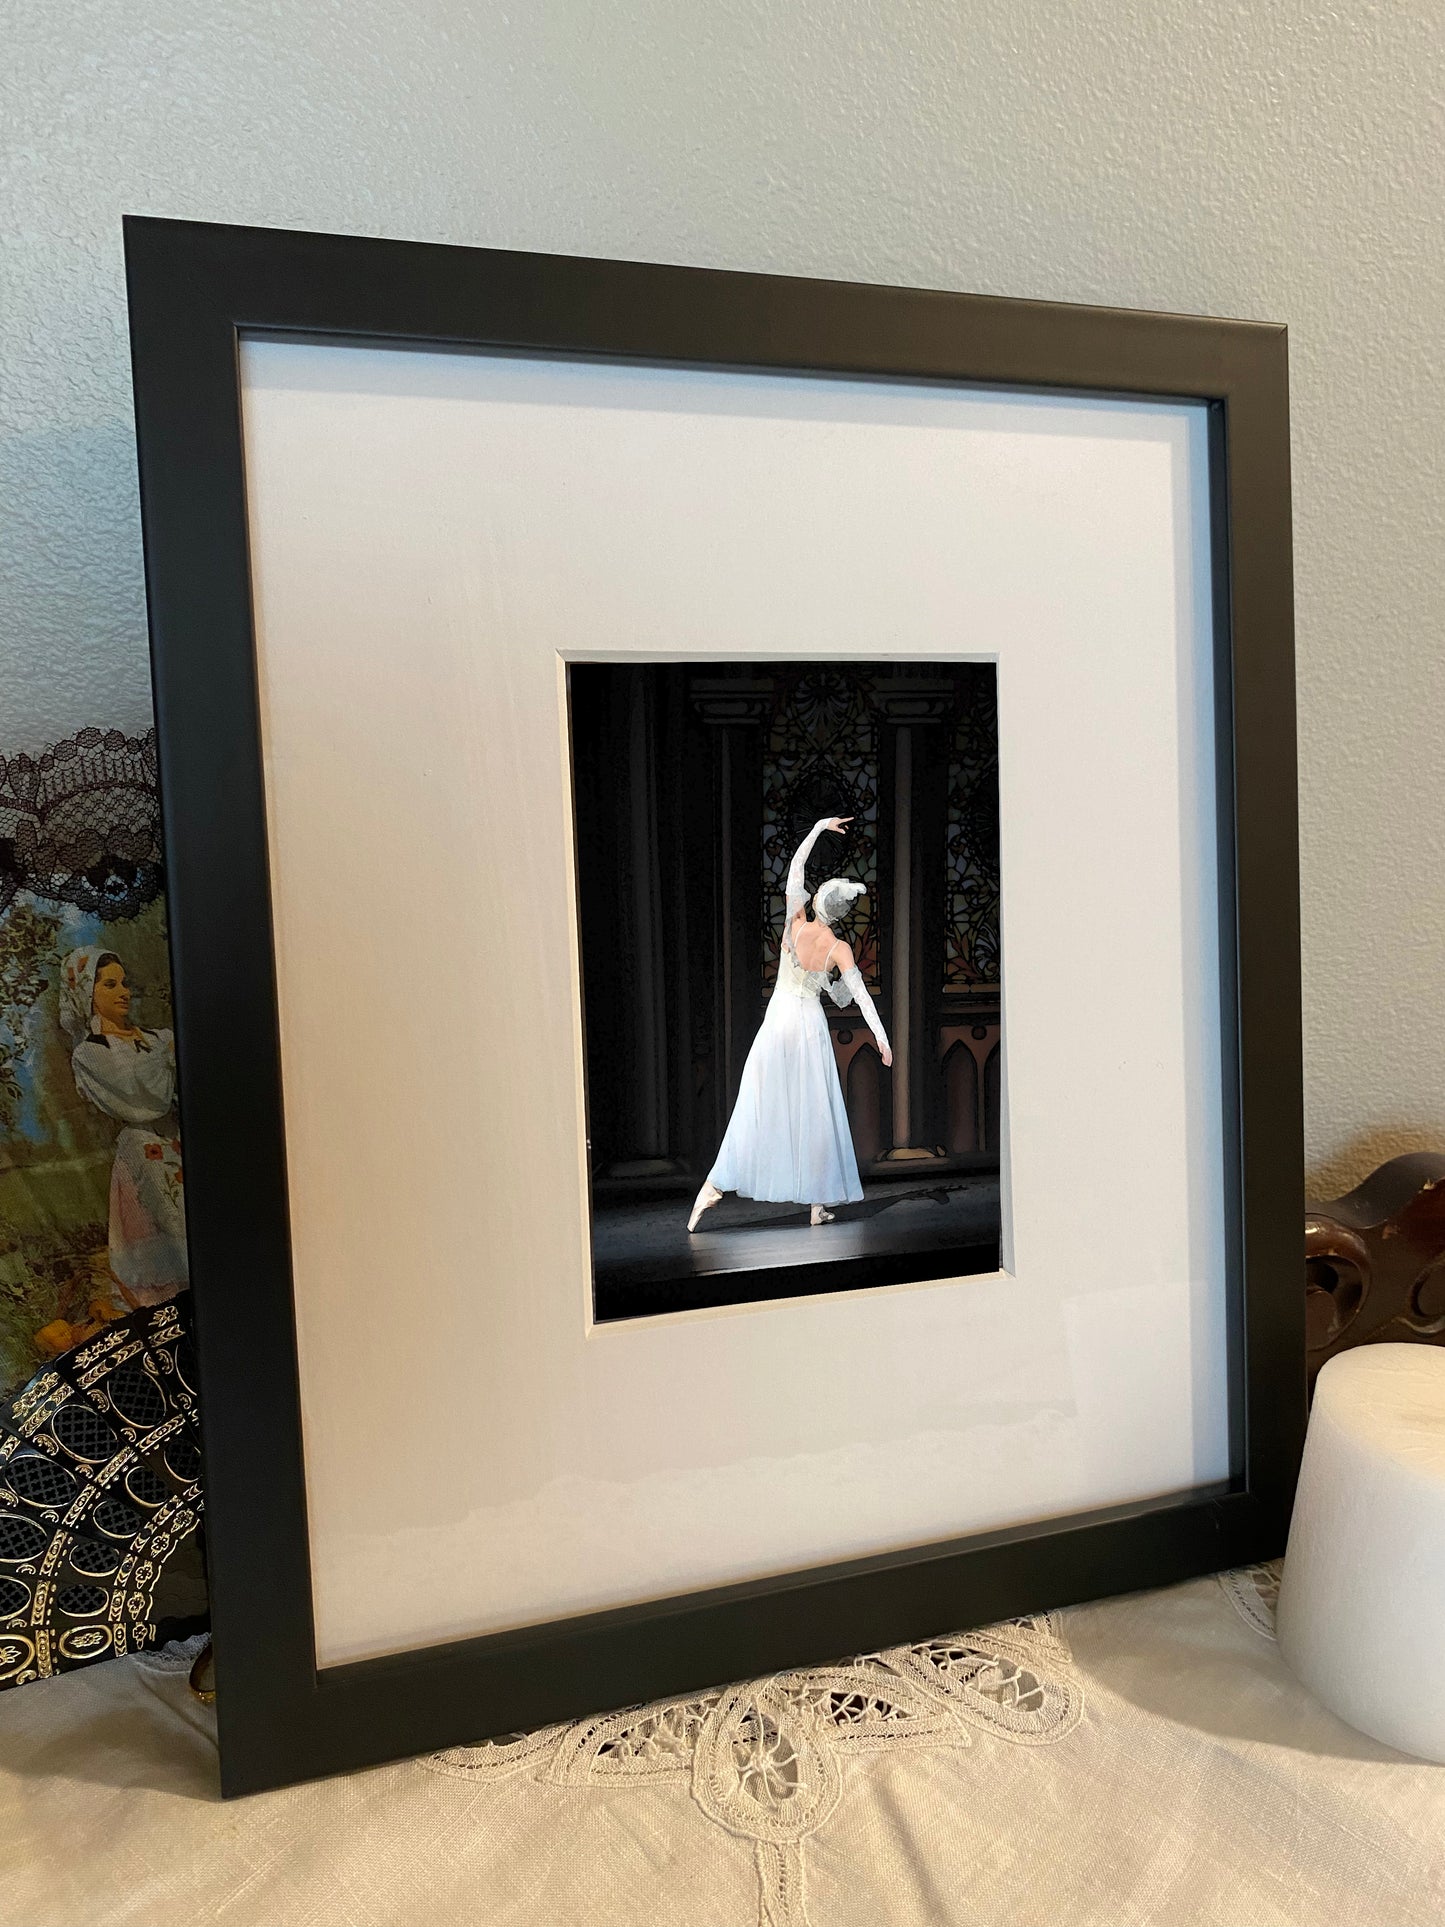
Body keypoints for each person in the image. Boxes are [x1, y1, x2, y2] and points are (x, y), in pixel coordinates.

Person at [688, 815, 892, 1231]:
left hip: (779, 1018)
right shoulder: (839, 948)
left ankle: (714, 1188)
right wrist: (882, 1038)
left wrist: (817, 829)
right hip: (808, 1025)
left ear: (816, 902)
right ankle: (816, 1202)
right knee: (814, 1111)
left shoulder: (795, 924)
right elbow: (858, 996)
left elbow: (795, 870)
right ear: (841, 913)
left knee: (760, 1104)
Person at [59, 946, 188, 1306]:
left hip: (182, 1140)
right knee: (173, 1242)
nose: (124, 992)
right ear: (88, 995)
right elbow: (145, 1099)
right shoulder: (92, 1052)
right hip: (144, 1153)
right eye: (111, 985)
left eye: (124, 983)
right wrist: (170, 1059)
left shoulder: (158, 1037)